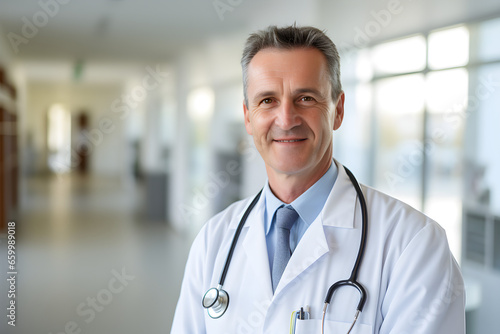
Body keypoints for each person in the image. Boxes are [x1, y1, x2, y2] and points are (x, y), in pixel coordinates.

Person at [171, 25, 465, 334]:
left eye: (306, 98)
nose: (286, 119)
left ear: (338, 111)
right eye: (267, 100)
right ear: (248, 117)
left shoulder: (414, 245)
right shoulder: (213, 240)